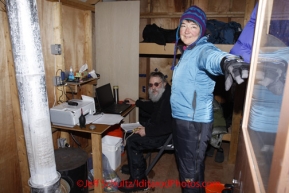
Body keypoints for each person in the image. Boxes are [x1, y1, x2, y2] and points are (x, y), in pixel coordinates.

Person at [170, 6, 249, 193]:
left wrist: (227, 61)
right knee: (193, 171)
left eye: (193, 26)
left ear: (202, 30)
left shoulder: (203, 49)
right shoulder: (188, 50)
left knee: (189, 176)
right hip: (183, 119)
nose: (187, 30)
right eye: (184, 25)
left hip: (193, 123)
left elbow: (213, 57)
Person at [118, 71, 172, 192]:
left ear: (163, 83)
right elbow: (153, 108)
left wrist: (147, 131)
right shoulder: (164, 94)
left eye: (156, 84)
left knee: (132, 141)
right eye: (151, 85)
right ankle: (136, 167)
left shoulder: (170, 98)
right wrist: (136, 102)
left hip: (164, 135)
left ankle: (139, 181)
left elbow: (169, 126)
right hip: (156, 128)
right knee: (129, 132)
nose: (153, 88)